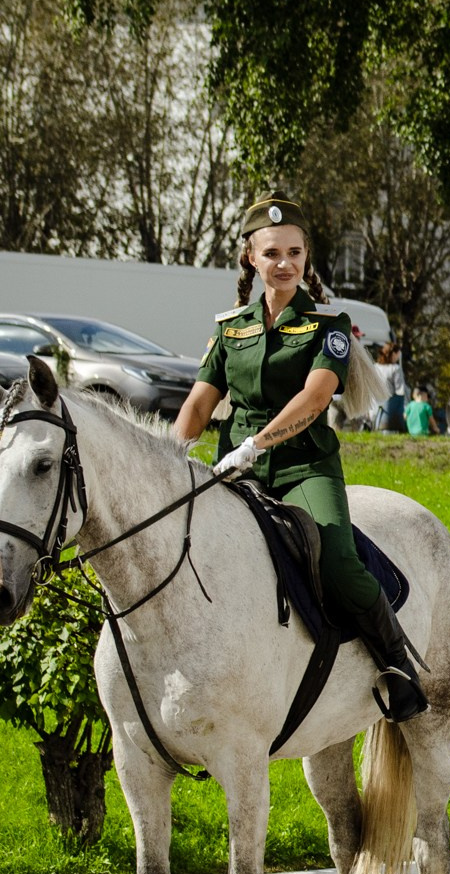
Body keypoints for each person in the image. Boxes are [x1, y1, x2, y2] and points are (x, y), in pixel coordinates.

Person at [171, 193, 427, 720]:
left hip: (301, 467)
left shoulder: (328, 325)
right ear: (251, 258)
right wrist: (169, 458)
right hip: (233, 472)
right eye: (272, 254)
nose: (284, 263)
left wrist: (256, 444)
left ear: (307, 258)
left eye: (294, 253)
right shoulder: (230, 329)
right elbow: (199, 403)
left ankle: (397, 664)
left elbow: (314, 399)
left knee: (337, 560)